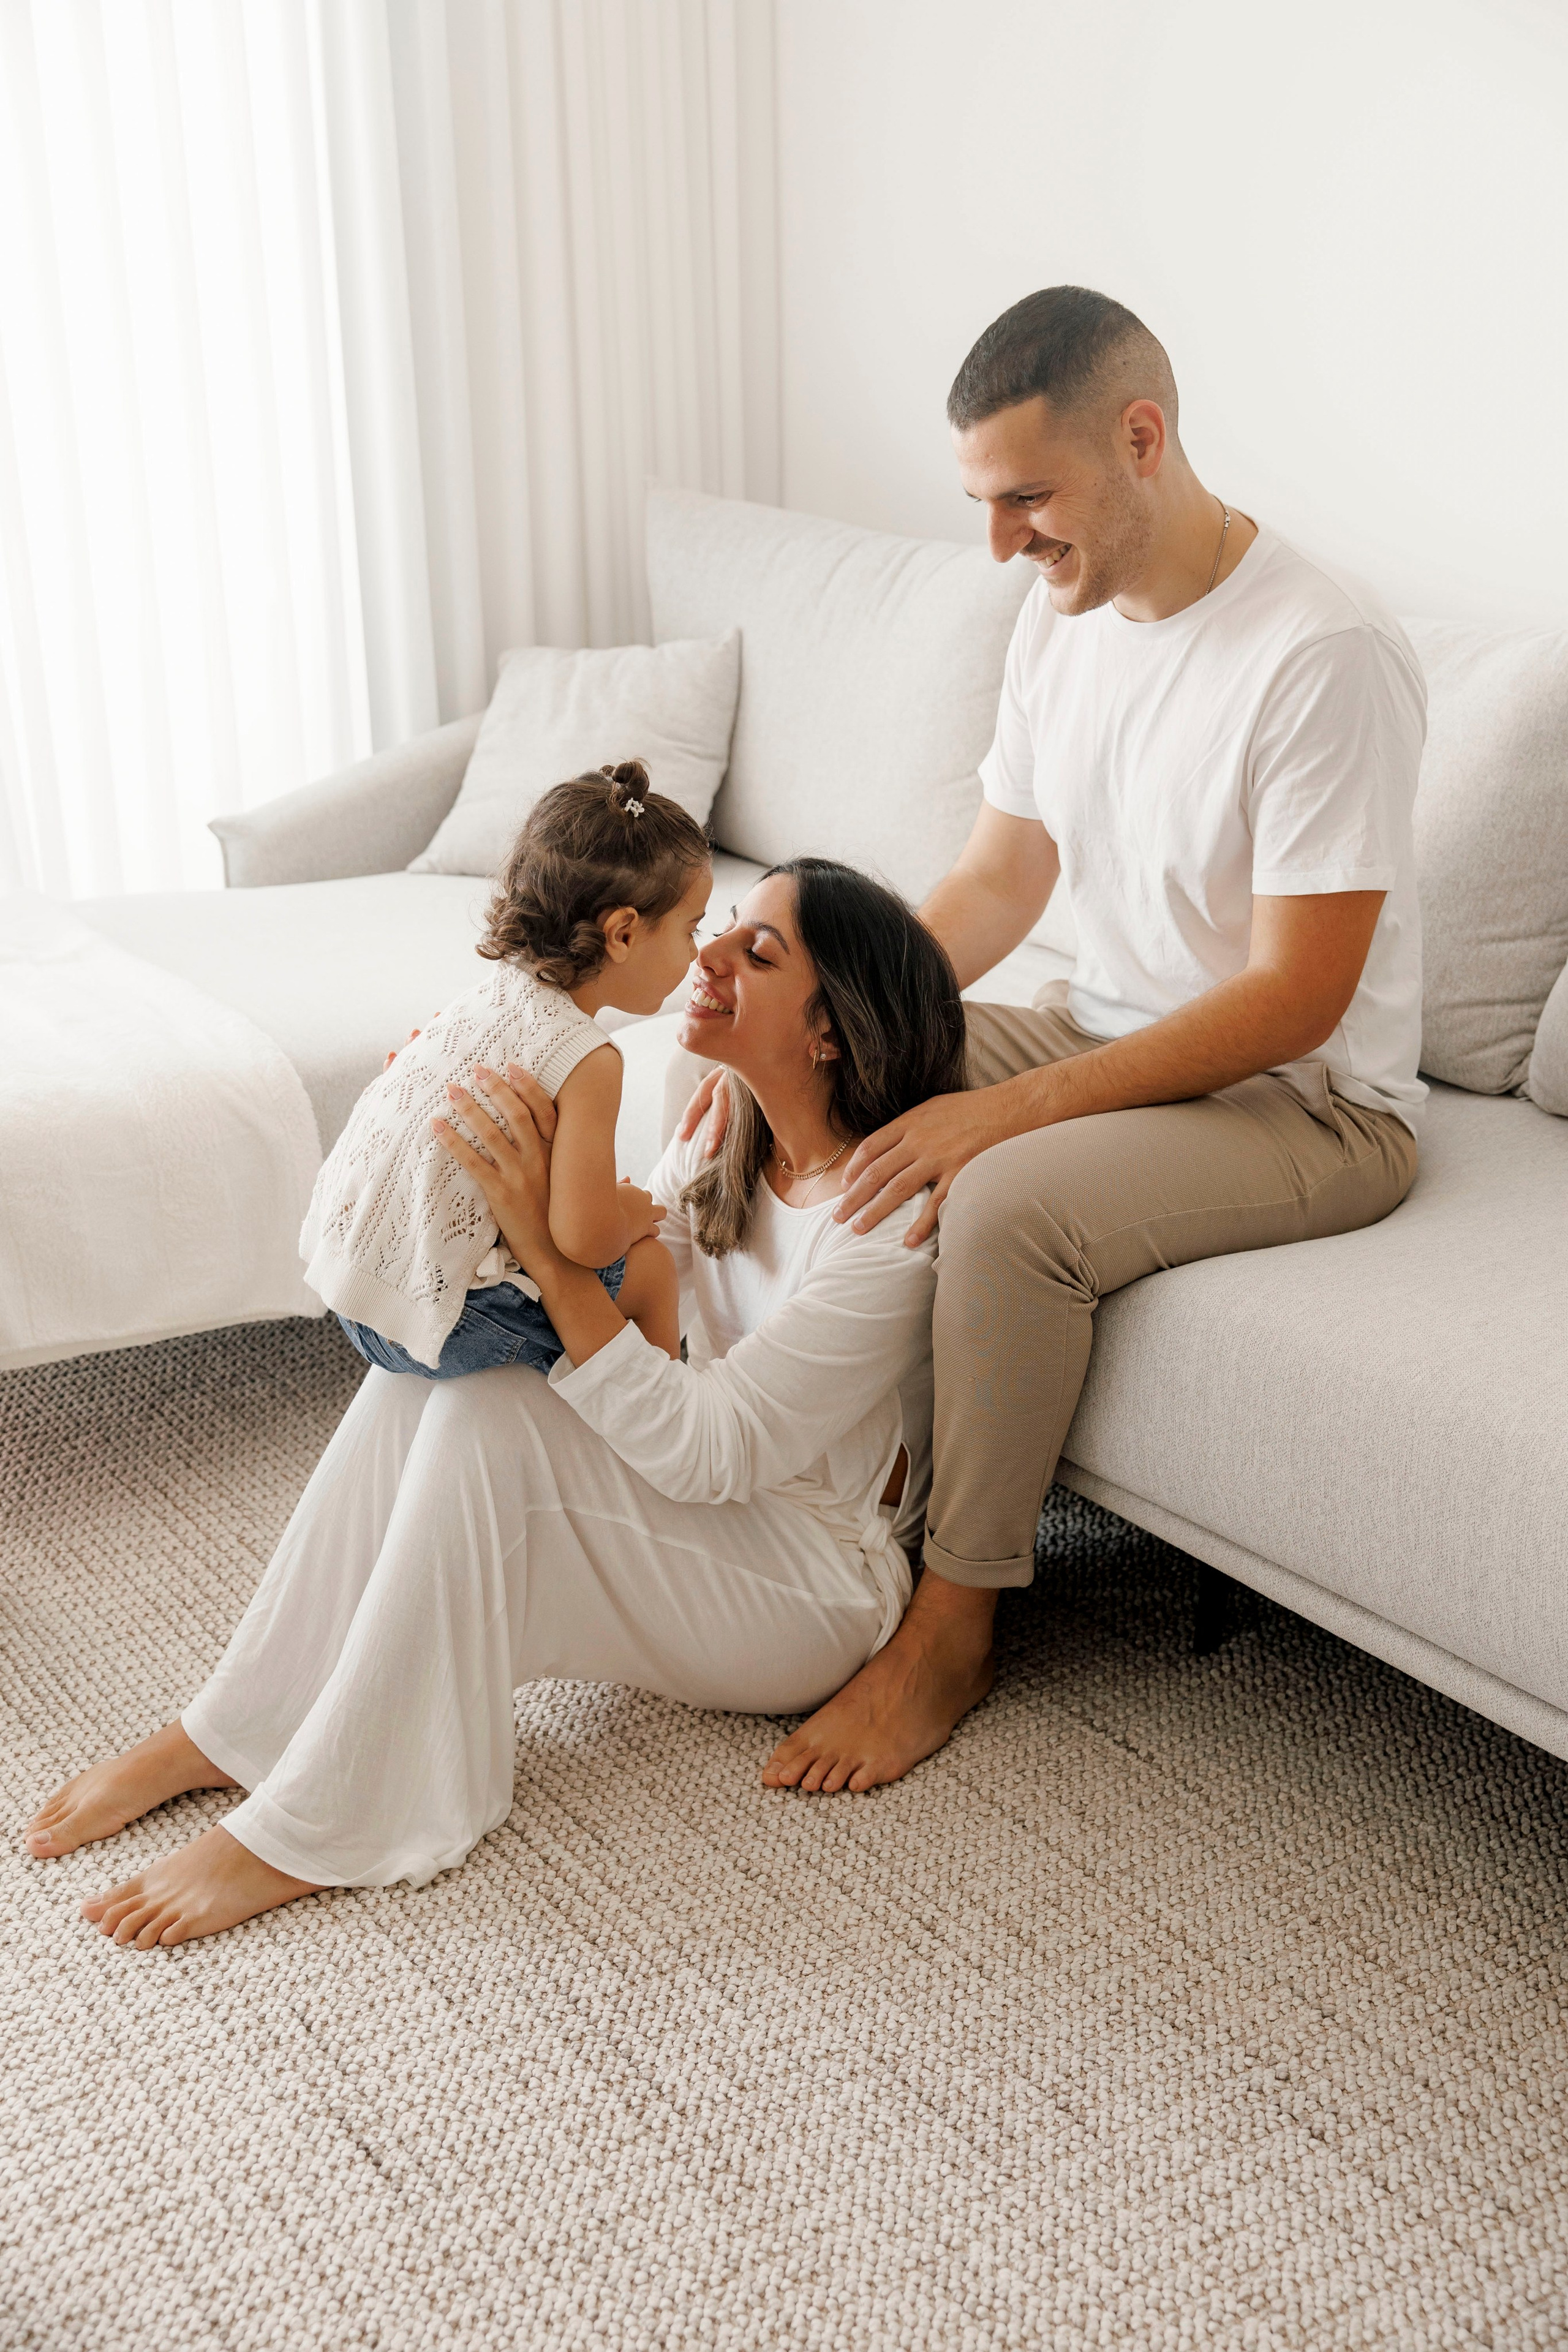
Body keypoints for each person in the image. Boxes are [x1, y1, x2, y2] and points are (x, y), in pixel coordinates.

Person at [674, 285, 1426, 1796]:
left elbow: (1295, 997)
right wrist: (793, 1029)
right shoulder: (1058, 622)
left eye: (1026, 498)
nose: (1000, 544)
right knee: (783, 1063)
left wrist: (997, 1118)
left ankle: (950, 1623)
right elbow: (997, 879)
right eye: (983, 503)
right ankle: (765, 1454)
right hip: (1106, 1022)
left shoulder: (1315, 654)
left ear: (1140, 438)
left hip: (1302, 1102)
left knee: (1005, 1203)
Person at [26, 859, 967, 1946]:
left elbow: (716, 1450)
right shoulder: (715, 1120)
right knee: (428, 1375)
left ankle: (326, 1817)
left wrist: (546, 1254)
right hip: (708, 1504)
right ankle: (232, 1730)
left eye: (759, 954)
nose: (708, 954)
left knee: (490, 1414)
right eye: (729, 928)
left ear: (832, 1034)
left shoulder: (888, 1222)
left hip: (813, 1581)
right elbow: (633, 1285)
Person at [306, 759, 710, 1379]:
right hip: (441, 1322)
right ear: (623, 934)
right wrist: (630, 1211)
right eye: (692, 928)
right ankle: (658, 1418)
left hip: (347, 1282)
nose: (697, 951)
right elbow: (583, 1237)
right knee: (651, 1270)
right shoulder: (590, 1057)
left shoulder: (488, 998)